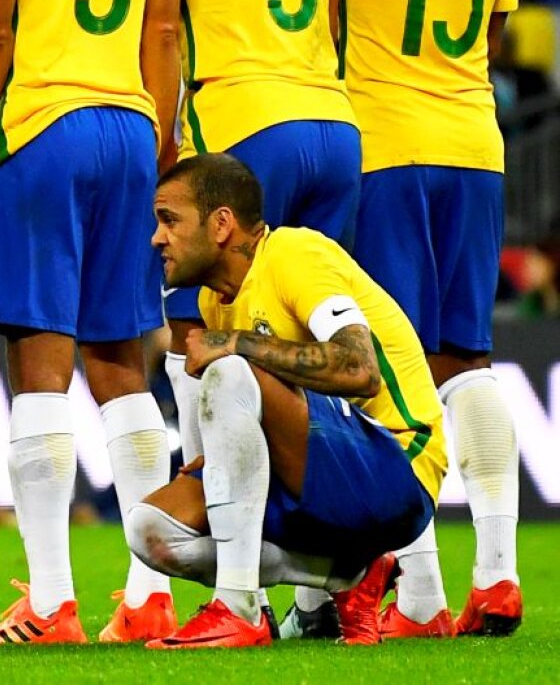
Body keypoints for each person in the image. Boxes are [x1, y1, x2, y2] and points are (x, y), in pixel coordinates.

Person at [0, 0, 187, 645]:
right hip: (131, 126)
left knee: (41, 368)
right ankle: (152, 597)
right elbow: (163, 29)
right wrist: (159, 139)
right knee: (122, 365)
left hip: (42, 126)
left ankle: (52, 603)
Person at [128, 154, 445, 649]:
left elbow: (360, 370)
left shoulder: (294, 254)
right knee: (150, 531)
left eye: (170, 220)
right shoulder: (216, 299)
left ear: (221, 224)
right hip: (322, 473)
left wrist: (237, 343)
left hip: (399, 468)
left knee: (231, 369)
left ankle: (238, 607)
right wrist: (229, 459)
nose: (157, 238)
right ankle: (345, 576)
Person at [326, 0, 526, 639]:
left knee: (391, 367)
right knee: (469, 360)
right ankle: (498, 576)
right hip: (474, 141)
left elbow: (324, 19)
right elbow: (493, 36)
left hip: (385, 142)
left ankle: (420, 597)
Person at [162, 0, 362, 630]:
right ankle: (321, 594)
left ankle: (233, 579)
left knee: (197, 338)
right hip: (332, 119)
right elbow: (332, 9)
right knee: (307, 335)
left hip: (243, 113)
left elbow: (161, 22)